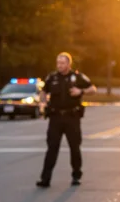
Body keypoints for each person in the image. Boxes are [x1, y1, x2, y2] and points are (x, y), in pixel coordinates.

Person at [37, 52, 97, 187]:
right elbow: (43, 91)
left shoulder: (77, 77)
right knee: (52, 148)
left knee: (74, 147)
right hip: (56, 117)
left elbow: (93, 89)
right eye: (58, 63)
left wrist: (81, 91)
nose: (59, 65)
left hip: (72, 117)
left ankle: (76, 175)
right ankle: (45, 179)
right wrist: (43, 103)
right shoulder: (52, 77)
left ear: (69, 64)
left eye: (62, 63)